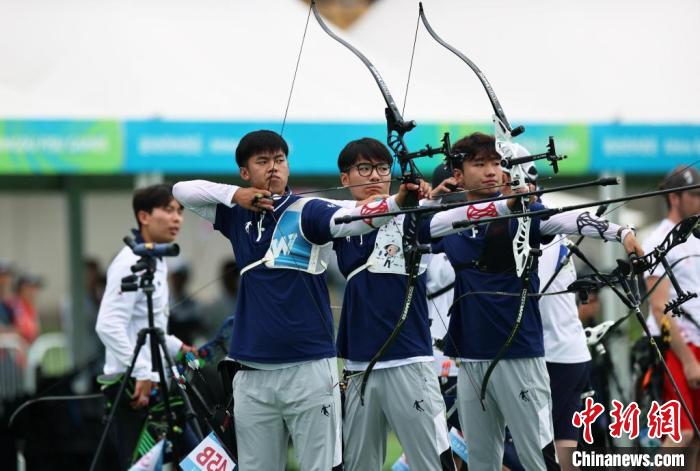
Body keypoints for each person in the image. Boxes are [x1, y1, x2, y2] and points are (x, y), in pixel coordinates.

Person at [173, 129, 420, 471]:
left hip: (308, 367)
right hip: (251, 370)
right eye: (262, 161)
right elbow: (181, 190)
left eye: (280, 160)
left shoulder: (308, 209)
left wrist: (397, 202)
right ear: (245, 172)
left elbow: (355, 218)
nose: (273, 167)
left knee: (321, 465)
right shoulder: (235, 214)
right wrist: (237, 195)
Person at [426, 132, 643, 470]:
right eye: (479, 164)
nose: (491, 172)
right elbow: (419, 227)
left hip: (520, 356)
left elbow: (568, 219)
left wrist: (621, 233)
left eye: (497, 163)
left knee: (538, 460)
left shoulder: (525, 212)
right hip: (470, 358)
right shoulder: (449, 218)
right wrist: (430, 200)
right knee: (481, 462)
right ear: (458, 174)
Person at [330, 138, 455, 470]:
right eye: (364, 168)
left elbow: (439, 221)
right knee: (359, 465)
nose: (375, 175)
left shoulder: (411, 215)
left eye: (383, 168)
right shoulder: (339, 219)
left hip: (409, 361)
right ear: (344, 178)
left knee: (432, 462)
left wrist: (432, 198)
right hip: (359, 366)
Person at [94, 183, 195, 468]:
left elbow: (148, 327)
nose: (177, 218)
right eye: (168, 210)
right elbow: (108, 325)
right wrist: (141, 371)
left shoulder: (157, 259)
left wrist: (179, 347)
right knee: (142, 465)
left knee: (197, 458)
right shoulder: (130, 261)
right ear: (144, 216)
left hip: (156, 382)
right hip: (133, 388)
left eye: (180, 211)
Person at [642, 166, 700, 465]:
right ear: (674, 197)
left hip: (697, 344)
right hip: (672, 347)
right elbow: (659, 307)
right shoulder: (658, 240)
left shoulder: (696, 237)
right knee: (681, 432)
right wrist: (688, 360)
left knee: (696, 438)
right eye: (694, 194)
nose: (699, 200)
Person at [201, 259, 239, 339]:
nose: (228, 281)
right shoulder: (214, 306)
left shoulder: (247, 302)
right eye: (226, 277)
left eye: (231, 277)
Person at [12, 273, 42, 344]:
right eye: (29, 288)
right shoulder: (15, 305)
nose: (33, 292)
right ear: (20, 289)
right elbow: (25, 330)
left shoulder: (30, 306)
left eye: (35, 288)